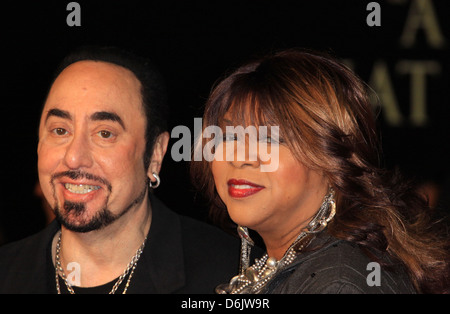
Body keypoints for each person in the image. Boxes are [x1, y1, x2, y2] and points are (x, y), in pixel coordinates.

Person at [191, 49, 450, 294]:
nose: (239, 158)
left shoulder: (337, 284)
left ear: (333, 159)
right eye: (228, 136)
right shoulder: (305, 264)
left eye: (269, 139)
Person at [0, 46, 240, 293]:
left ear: (156, 153)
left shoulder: (233, 277)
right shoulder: (7, 273)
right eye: (60, 130)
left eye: (104, 134)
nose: (73, 158)